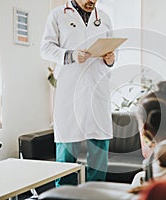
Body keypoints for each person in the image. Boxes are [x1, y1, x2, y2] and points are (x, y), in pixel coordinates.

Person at [40, 0, 115, 186]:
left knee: (99, 149)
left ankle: (95, 194)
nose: (92, 1)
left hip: (97, 91)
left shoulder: (104, 18)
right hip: (70, 92)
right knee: (66, 152)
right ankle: (63, 196)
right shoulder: (57, 15)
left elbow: (112, 53)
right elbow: (45, 49)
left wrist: (111, 59)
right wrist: (71, 55)